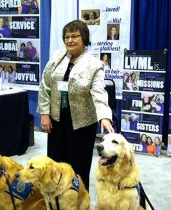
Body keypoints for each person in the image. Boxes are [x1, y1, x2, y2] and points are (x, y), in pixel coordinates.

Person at [38, 20, 114, 191]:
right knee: (56, 163)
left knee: (79, 166)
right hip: (57, 118)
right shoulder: (57, 58)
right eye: (67, 37)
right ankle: (56, 200)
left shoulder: (94, 65)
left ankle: (79, 203)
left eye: (74, 36)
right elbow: (45, 85)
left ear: (84, 38)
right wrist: (44, 113)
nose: (70, 40)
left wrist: (104, 116)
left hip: (82, 123)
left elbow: (99, 92)